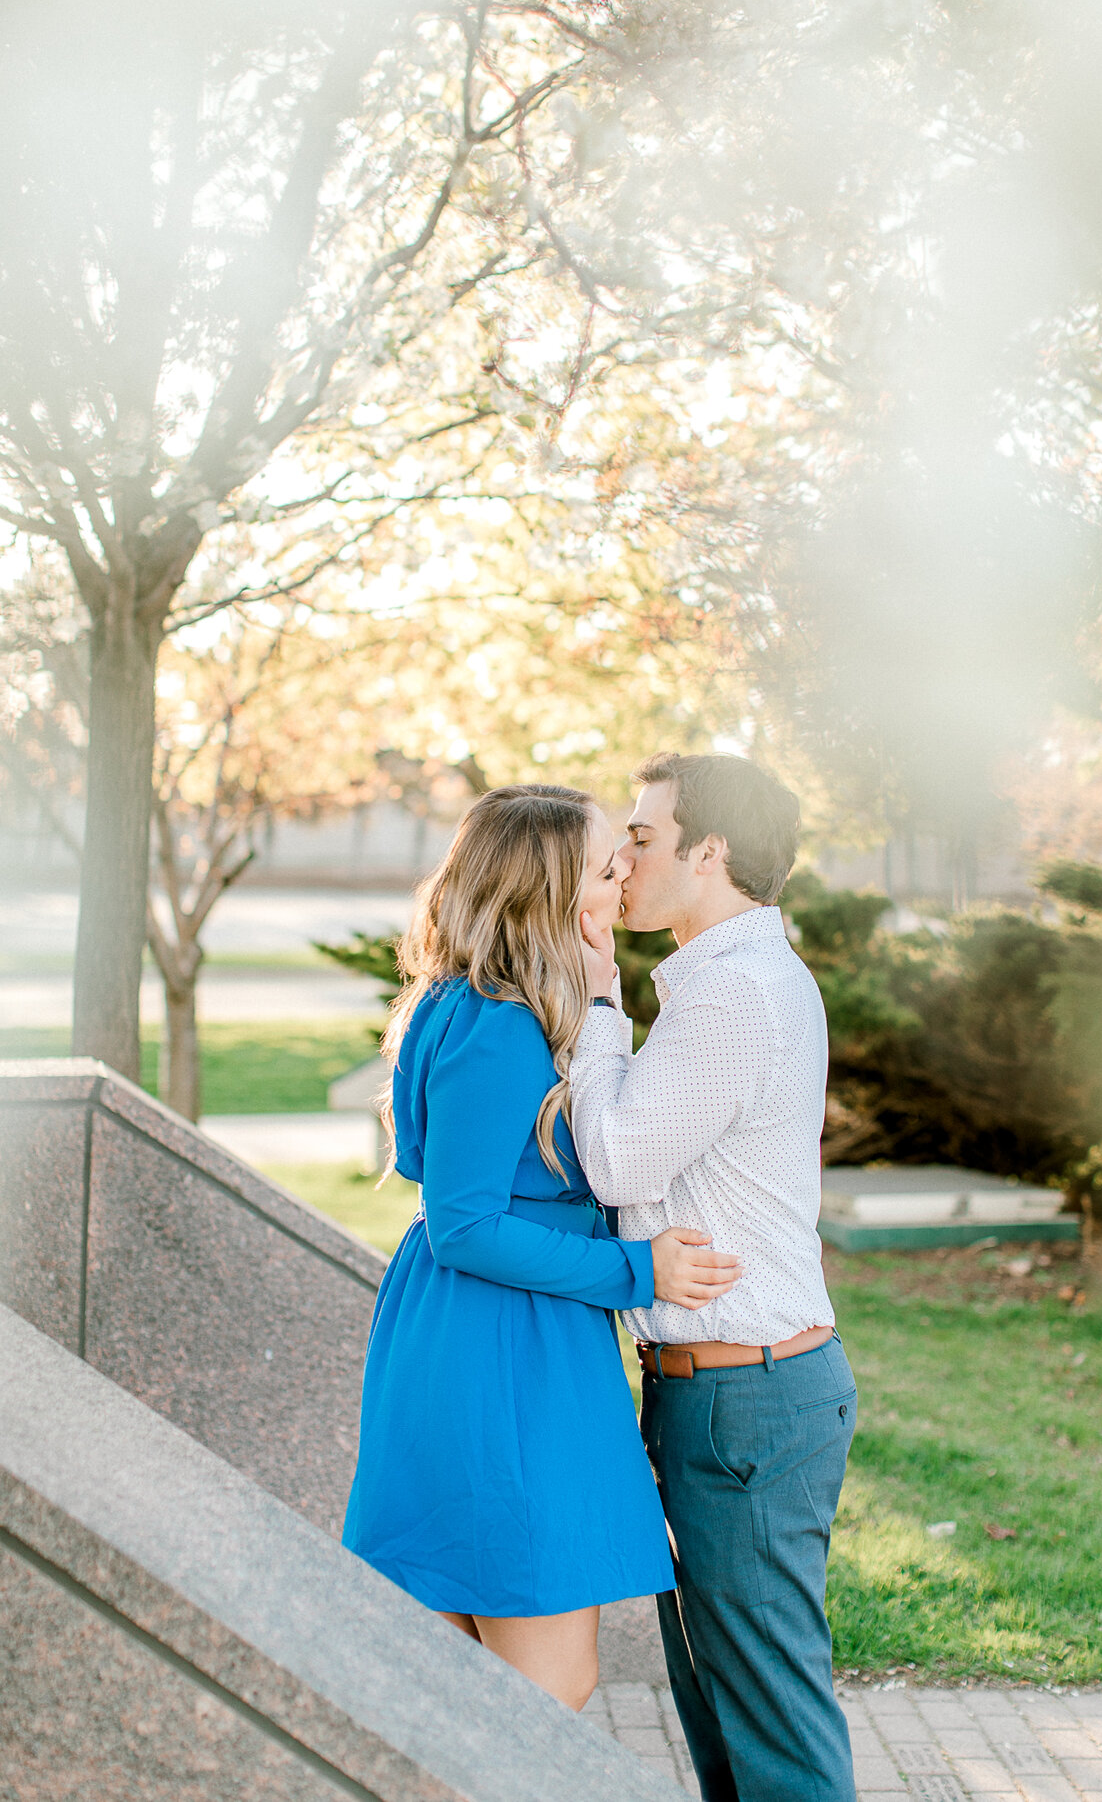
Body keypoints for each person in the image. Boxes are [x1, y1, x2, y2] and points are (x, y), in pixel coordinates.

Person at [342, 784, 745, 1710]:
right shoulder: (500, 1023)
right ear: (559, 894)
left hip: (493, 1336)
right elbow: (466, 1223)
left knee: (458, 1683)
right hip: (500, 1351)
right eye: (608, 865)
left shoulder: (479, 1003)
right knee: (545, 1685)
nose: (626, 875)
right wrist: (637, 1270)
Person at [572, 752, 857, 1802]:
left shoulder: (734, 994)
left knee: (771, 1729)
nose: (623, 859)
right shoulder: (722, 982)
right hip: (722, 1392)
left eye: (642, 839)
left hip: (747, 1402)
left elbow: (617, 1160)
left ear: (711, 851)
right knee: (725, 1717)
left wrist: (600, 1001)